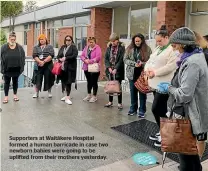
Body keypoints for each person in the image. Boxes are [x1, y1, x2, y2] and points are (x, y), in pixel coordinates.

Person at [157, 27, 208, 171]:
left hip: (189, 115)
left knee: (186, 158)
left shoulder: (192, 62)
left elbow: (185, 94)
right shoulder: (196, 57)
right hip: (192, 113)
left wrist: (168, 88)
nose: (173, 48)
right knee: (191, 157)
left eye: (174, 45)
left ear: (183, 44)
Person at [144, 25, 178, 147]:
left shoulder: (172, 50)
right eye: (156, 41)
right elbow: (150, 61)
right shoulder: (158, 49)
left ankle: (166, 134)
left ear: (167, 38)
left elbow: (170, 66)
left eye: (160, 40)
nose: (158, 43)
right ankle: (162, 131)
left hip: (164, 84)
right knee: (161, 110)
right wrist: (147, 70)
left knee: (156, 109)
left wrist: (155, 72)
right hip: (154, 83)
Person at [124, 33, 152, 117]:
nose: (137, 42)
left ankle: (142, 110)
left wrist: (142, 63)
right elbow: (125, 59)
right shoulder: (129, 48)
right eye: (135, 41)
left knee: (142, 92)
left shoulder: (147, 49)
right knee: (133, 93)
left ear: (142, 40)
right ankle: (133, 108)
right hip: (132, 74)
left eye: (139, 41)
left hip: (142, 74)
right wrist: (134, 63)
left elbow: (151, 61)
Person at [1, 31, 25, 104]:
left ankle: (15, 95)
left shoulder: (20, 47)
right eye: (11, 39)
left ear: (15, 39)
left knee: (15, 82)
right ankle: (6, 97)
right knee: (6, 83)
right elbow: (1, 57)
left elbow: (23, 57)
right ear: (9, 39)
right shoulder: (4, 47)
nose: (13, 41)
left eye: (14, 39)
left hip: (16, 69)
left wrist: (22, 66)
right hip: (7, 69)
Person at [104, 33, 125, 110]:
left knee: (118, 86)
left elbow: (121, 59)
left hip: (118, 70)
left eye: (114, 41)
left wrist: (116, 68)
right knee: (110, 85)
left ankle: (119, 103)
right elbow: (106, 58)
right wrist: (109, 67)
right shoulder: (108, 47)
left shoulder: (122, 48)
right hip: (110, 70)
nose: (113, 43)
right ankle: (110, 102)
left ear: (117, 40)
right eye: (111, 41)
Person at [57, 35, 78, 105]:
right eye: (66, 40)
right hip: (62, 67)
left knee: (68, 82)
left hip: (70, 68)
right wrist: (60, 58)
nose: (67, 41)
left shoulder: (73, 47)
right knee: (63, 81)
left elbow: (74, 55)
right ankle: (65, 95)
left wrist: (66, 58)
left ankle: (68, 97)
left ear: (71, 40)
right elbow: (58, 55)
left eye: (69, 40)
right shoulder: (63, 47)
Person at [81, 37, 102, 103]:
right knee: (89, 81)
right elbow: (82, 55)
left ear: (95, 42)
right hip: (86, 67)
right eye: (90, 42)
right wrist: (85, 60)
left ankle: (94, 96)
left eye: (92, 42)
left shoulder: (97, 48)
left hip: (94, 67)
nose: (91, 43)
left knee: (94, 82)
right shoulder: (86, 48)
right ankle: (89, 94)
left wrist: (90, 61)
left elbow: (98, 57)